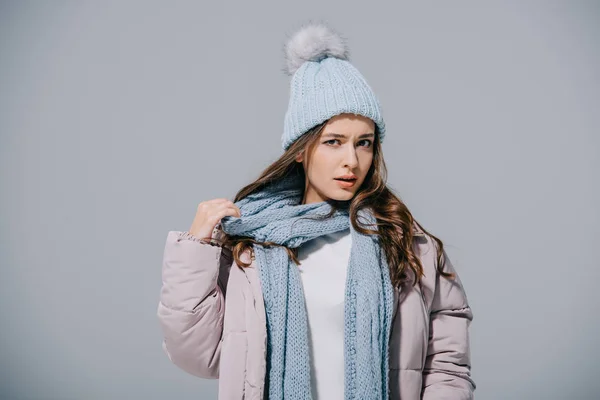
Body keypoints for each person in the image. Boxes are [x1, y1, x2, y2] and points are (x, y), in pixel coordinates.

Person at [157, 22, 476, 400]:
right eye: (333, 142)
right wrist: (195, 248)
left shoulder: (409, 246)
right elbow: (197, 356)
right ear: (302, 149)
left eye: (364, 143)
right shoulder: (252, 247)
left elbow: (447, 366)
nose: (351, 161)